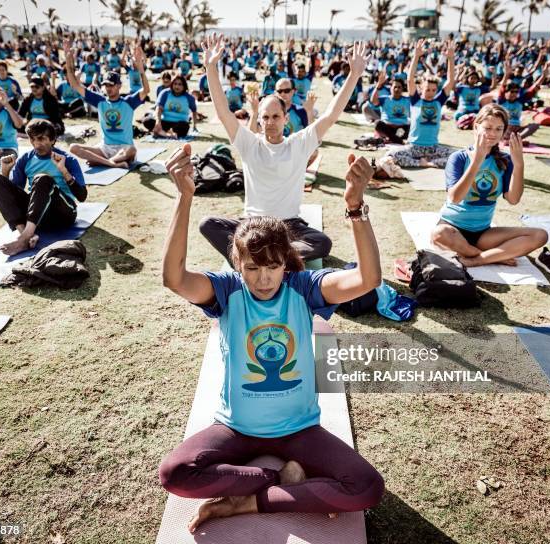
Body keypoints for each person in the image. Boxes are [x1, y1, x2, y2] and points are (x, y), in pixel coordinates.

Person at [159, 143, 384, 534]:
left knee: (366, 487)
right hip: (237, 430)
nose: (263, 279)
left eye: (273, 267)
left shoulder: (304, 288)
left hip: (299, 431)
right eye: (252, 268)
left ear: (286, 263)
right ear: (237, 264)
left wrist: (354, 207)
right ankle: (279, 482)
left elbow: (368, 279)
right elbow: (174, 279)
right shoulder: (227, 291)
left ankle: (251, 499)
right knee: (176, 474)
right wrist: (184, 196)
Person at [198, 34, 369, 264]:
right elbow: (223, 112)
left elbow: (330, 116)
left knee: (322, 243)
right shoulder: (249, 144)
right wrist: (210, 67)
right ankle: (275, 257)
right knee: (208, 224)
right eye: (265, 117)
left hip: (288, 226)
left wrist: (354, 75)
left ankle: (256, 256)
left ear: (285, 118)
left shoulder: (299, 143)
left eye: (275, 116)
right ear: (259, 120)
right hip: (253, 224)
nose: (270, 122)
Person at [430, 104, 547, 267]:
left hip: (483, 234)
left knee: (540, 235)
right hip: (452, 230)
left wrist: (519, 165)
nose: (493, 134)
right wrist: (477, 161)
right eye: (488, 127)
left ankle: (477, 259)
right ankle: (492, 256)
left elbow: (513, 199)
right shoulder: (458, 158)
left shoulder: (504, 160)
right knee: (438, 234)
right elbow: (455, 198)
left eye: (499, 129)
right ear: (476, 127)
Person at [0, 119, 87, 256]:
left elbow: (82, 196)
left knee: (42, 178)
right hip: (36, 216)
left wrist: (63, 171)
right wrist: (5, 172)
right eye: (32, 139)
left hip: (62, 214)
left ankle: (24, 239)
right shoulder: (25, 159)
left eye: (41, 139)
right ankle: (26, 233)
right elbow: (12, 198)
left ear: (53, 139)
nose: (36, 144)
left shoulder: (68, 159)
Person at [64, 40, 150, 169]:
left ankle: (101, 161)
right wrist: (68, 60)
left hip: (124, 149)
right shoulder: (100, 101)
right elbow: (75, 85)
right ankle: (111, 163)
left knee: (132, 150)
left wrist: (141, 68)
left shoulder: (128, 102)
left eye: (111, 85)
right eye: (105, 85)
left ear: (119, 86)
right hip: (104, 148)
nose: (108, 88)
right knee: (73, 147)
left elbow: (146, 90)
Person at [386, 39, 456, 168]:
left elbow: (450, 81)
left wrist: (450, 59)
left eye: (434, 90)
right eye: (427, 89)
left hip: (432, 148)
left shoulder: (438, 101)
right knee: (392, 154)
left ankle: (428, 163)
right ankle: (422, 163)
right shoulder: (415, 100)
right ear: (421, 89)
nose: (431, 92)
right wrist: (416, 56)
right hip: (414, 146)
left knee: (457, 157)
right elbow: (409, 79)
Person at [370, 70, 410, 144]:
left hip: (402, 129)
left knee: (411, 126)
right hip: (387, 128)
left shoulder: (407, 100)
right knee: (377, 124)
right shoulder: (385, 99)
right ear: (391, 88)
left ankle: (392, 138)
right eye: (395, 87)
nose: (397, 89)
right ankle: (399, 140)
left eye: (399, 87)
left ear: (402, 89)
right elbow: (373, 101)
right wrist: (378, 85)